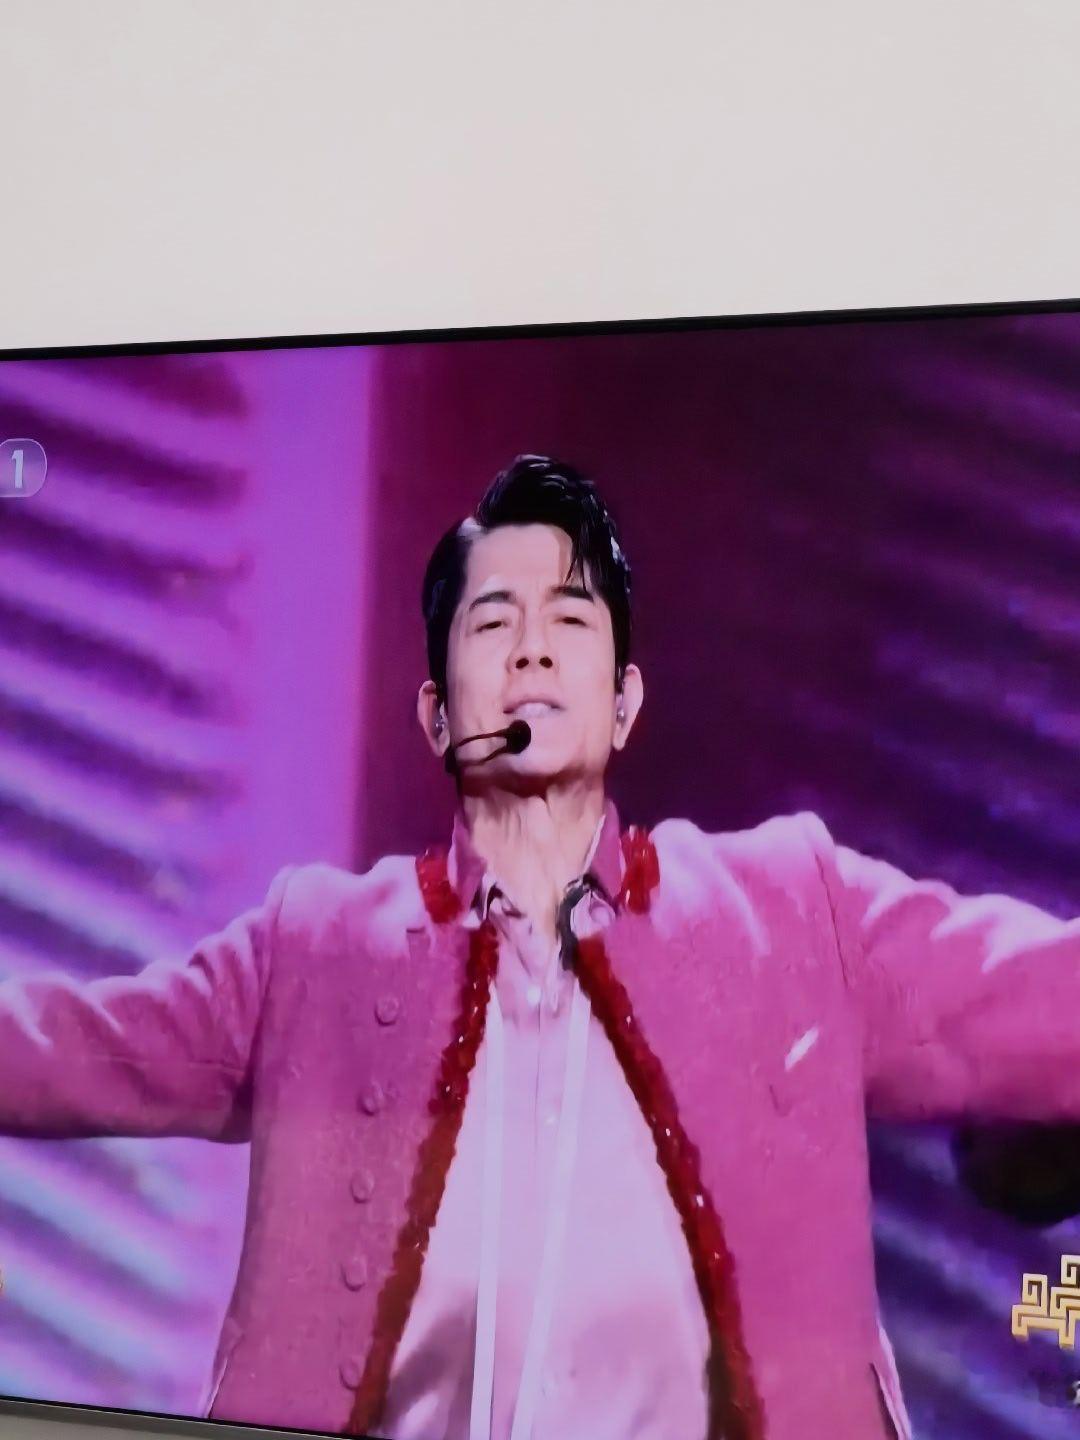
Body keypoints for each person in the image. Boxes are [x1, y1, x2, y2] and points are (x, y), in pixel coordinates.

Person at [3, 454, 1080, 1440]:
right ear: (438, 716)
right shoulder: (315, 951)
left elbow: (1044, 1001)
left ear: (624, 703)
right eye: (493, 624)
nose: (531, 648)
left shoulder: (790, 911)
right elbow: (65, 1049)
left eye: (570, 617)